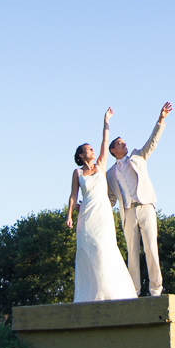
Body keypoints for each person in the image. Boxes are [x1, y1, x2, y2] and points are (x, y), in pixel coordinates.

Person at [66, 107, 137, 303]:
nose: (92, 150)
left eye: (92, 148)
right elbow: (73, 195)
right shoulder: (77, 173)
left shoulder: (101, 165)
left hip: (103, 214)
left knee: (104, 248)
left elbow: (106, 141)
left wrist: (106, 120)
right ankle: (89, 295)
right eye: (88, 149)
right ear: (81, 155)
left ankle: (111, 293)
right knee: (87, 250)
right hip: (86, 216)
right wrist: (69, 215)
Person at [106, 102, 172, 297]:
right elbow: (109, 200)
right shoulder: (109, 174)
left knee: (151, 248)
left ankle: (156, 290)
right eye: (120, 143)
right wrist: (89, 208)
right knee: (132, 254)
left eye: (125, 143)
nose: (125, 144)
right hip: (127, 212)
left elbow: (153, 142)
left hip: (146, 207)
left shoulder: (138, 156)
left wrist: (161, 119)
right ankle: (133, 291)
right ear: (113, 150)